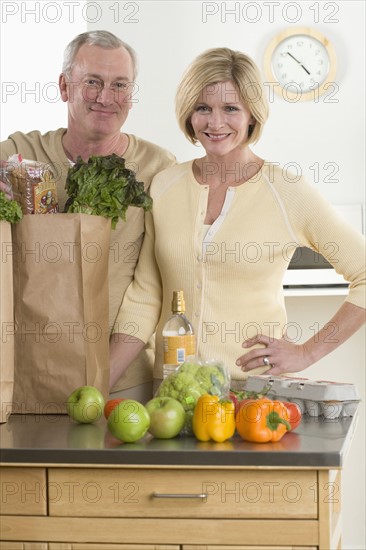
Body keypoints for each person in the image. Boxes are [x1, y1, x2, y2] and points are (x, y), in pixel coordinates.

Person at [109, 47, 365, 391]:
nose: (215, 123)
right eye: (203, 108)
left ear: (251, 115)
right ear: (188, 114)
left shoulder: (286, 190)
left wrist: (306, 352)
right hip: (172, 392)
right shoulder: (165, 185)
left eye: (230, 108)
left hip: (255, 393)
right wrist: (98, 385)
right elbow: (145, 296)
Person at [0, 30, 176, 401]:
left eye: (120, 85)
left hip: (122, 384)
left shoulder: (160, 168)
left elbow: (154, 287)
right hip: (25, 378)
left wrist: (98, 382)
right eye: (92, 82)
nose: (106, 98)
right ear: (65, 86)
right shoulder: (17, 154)